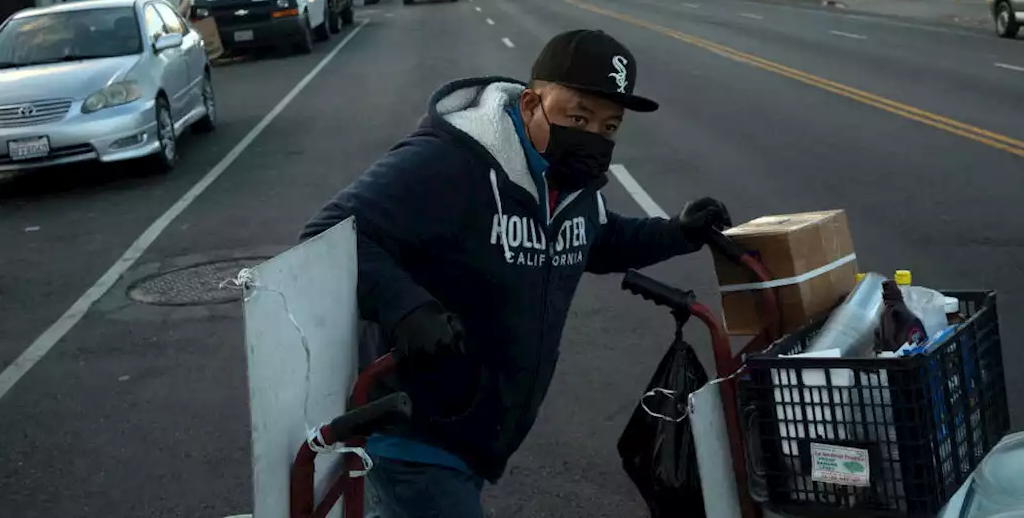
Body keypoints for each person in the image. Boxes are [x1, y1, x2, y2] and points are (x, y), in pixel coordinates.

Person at [300, 29, 732, 518]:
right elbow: (329, 233)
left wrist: (679, 232)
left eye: (609, 127)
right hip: (415, 434)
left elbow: (600, 238)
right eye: (578, 117)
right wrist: (408, 308)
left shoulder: (570, 185)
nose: (593, 136)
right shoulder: (451, 163)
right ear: (530, 104)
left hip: (476, 434)